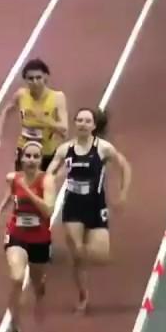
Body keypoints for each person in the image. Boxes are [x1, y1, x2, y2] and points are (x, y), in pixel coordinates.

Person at [46, 107, 132, 313]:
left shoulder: (103, 148)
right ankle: (83, 295)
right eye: (79, 120)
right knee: (76, 252)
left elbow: (125, 166)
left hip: (96, 206)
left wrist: (123, 193)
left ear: (94, 126)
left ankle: (80, 257)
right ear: (75, 124)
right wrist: (56, 178)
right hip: (73, 206)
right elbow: (49, 175)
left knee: (101, 256)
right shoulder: (65, 149)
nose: (82, 124)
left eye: (87, 121)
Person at [0, 141, 57, 332]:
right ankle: (15, 327)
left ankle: (39, 291)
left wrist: (27, 188)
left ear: (40, 160)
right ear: (22, 158)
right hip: (16, 234)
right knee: (16, 278)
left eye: (36, 156)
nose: (32, 160)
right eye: (28, 156)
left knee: (36, 282)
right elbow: (12, 194)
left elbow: (48, 211)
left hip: (40, 238)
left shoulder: (47, 181)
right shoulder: (14, 178)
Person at [0, 58, 68, 172]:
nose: (35, 82)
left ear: (46, 77)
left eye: (39, 78)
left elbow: (64, 128)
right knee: (20, 185)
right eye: (30, 79)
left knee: (43, 187)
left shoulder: (57, 97)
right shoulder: (21, 95)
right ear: (25, 80)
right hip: (25, 149)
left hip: (46, 152)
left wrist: (46, 121)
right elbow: (6, 111)